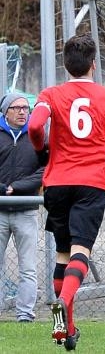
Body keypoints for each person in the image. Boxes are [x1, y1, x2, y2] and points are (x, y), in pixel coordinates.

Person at [28, 33, 105, 351]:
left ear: (66, 65)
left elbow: (34, 127)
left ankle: (66, 330)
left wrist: (42, 148)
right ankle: (63, 300)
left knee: (63, 253)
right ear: (94, 65)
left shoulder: (51, 93)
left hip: (57, 182)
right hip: (91, 182)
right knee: (81, 252)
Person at [0, 92, 44, 323]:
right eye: (16, 108)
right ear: (5, 112)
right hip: (0, 209)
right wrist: (2, 189)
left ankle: (25, 315)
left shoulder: (38, 136)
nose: (22, 112)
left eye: (26, 108)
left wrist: (16, 187)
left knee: (28, 268)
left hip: (26, 209)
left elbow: (46, 170)